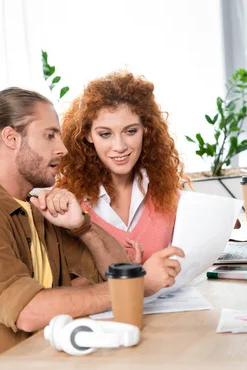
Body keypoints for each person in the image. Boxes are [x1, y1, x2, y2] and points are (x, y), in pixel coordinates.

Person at [0, 87, 183, 370]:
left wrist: (82, 227)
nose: (62, 149)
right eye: (49, 136)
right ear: (11, 138)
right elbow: (28, 312)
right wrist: (137, 286)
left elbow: (116, 271)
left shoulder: (40, 210)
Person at [57, 71, 190, 263]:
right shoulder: (67, 203)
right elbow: (65, 284)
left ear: (146, 129)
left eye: (130, 131)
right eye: (105, 134)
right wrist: (137, 278)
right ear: (88, 135)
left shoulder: (168, 194)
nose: (119, 147)